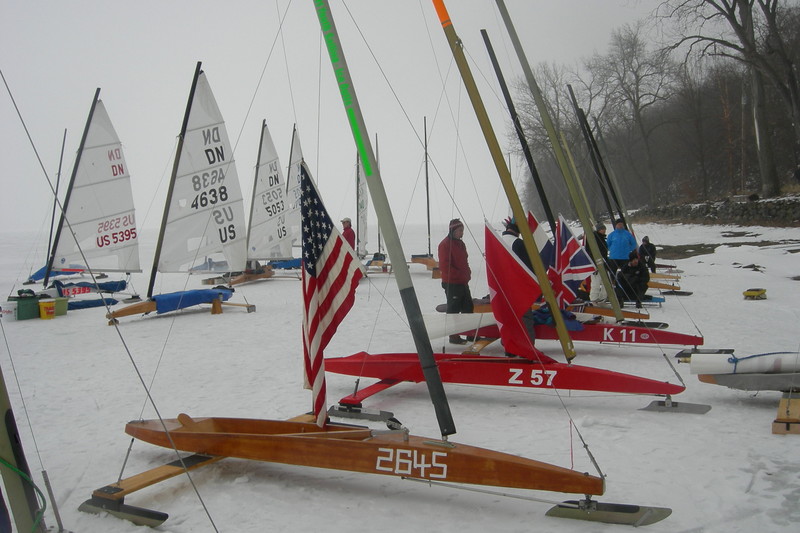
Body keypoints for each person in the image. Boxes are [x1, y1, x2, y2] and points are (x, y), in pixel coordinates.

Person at [438, 218, 473, 344]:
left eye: (462, 230)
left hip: (463, 282)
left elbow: (465, 260)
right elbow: (444, 266)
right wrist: (459, 275)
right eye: (459, 230)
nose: (461, 233)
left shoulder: (461, 244)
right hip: (452, 283)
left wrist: (467, 272)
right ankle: (453, 336)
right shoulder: (445, 244)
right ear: (453, 230)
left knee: (468, 308)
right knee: (454, 309)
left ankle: (470, 333)